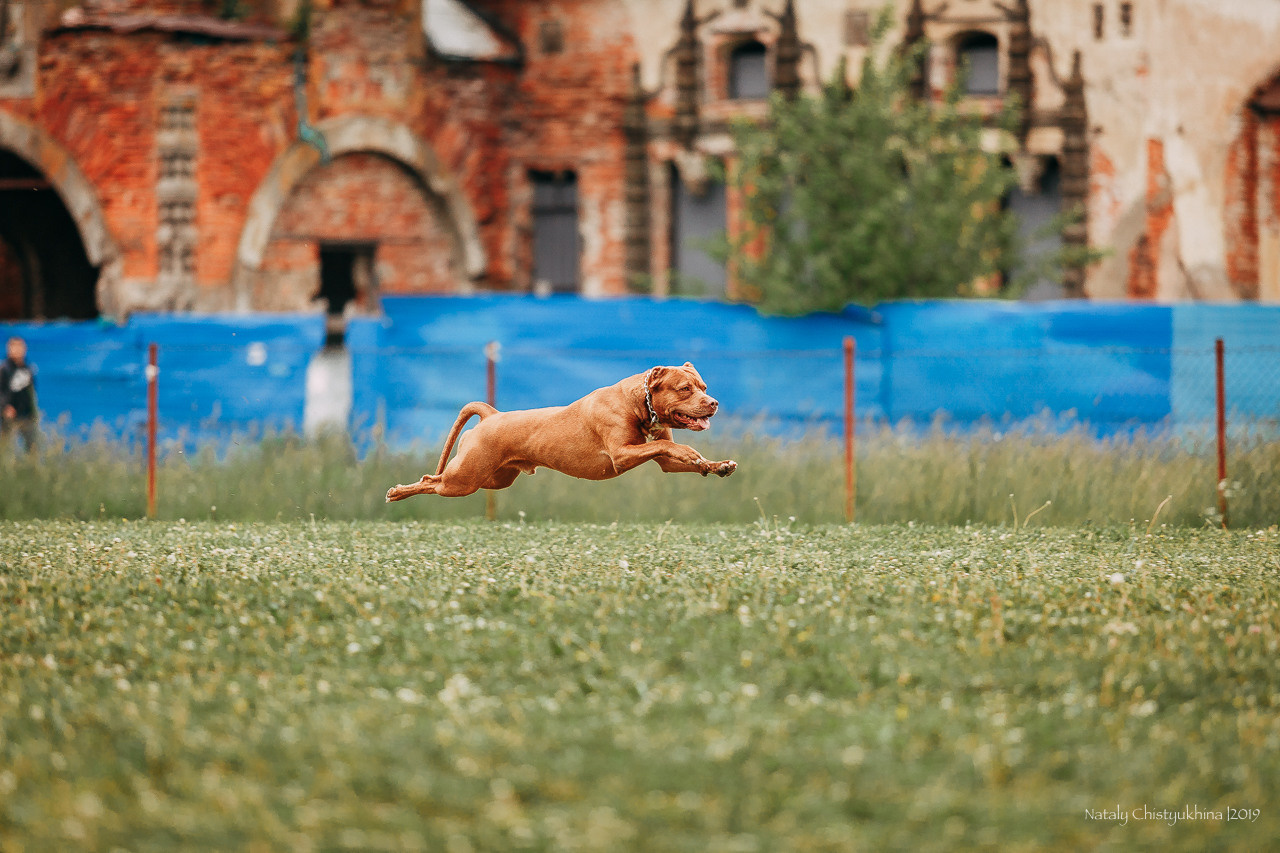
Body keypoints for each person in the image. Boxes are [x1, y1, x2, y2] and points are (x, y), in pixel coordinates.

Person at [1, 335, 38, 454]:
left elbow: (31, 392)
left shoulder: (28, 369)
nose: (18, 350)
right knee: (5, 445)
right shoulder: (4, 369)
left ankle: (32, 469)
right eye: (14, 347)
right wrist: (5, 407)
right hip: (10, 414)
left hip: (26, 414)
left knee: (32, 447)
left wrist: (33, 411)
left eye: (20, 347)